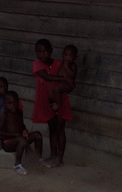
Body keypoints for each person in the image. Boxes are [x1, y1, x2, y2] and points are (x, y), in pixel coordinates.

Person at [32, 39, 73, 168]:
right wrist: (63, 78)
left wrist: (68, 80)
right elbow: (46, 77)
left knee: (60, 129)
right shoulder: (37, 64)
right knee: (52, 130)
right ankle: (53, 155)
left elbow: (70, 81)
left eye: (45, 51)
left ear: (51, 51)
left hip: (61, 102)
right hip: (47, 104)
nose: (42, 55)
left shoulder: (59, 64)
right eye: (39, 52)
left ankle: (59, 159)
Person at [0, 91, 42, 175]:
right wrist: (15, 135)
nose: (13, 105)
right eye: (9, 103)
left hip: (20, 140)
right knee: (21, 140)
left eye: (15, 103)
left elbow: (21, 125)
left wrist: (25, 130)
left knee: (37, 135)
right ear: (4, 104)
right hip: (8, 144)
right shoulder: (5, 115)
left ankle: (38, 159)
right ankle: (17, 165)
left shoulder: (19, 112)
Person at [50, 45, 78, 112]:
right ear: (62, 55)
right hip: (62, 82)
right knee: (54, 89)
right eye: (65, 55)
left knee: (57, 89)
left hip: (68, 84)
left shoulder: (73, 65)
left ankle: (59, 105)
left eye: (70, 56)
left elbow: (72, 75)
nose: (67, 58)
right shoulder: (61, 63)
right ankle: (56, 102)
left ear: (75, 57)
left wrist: (67, 67)